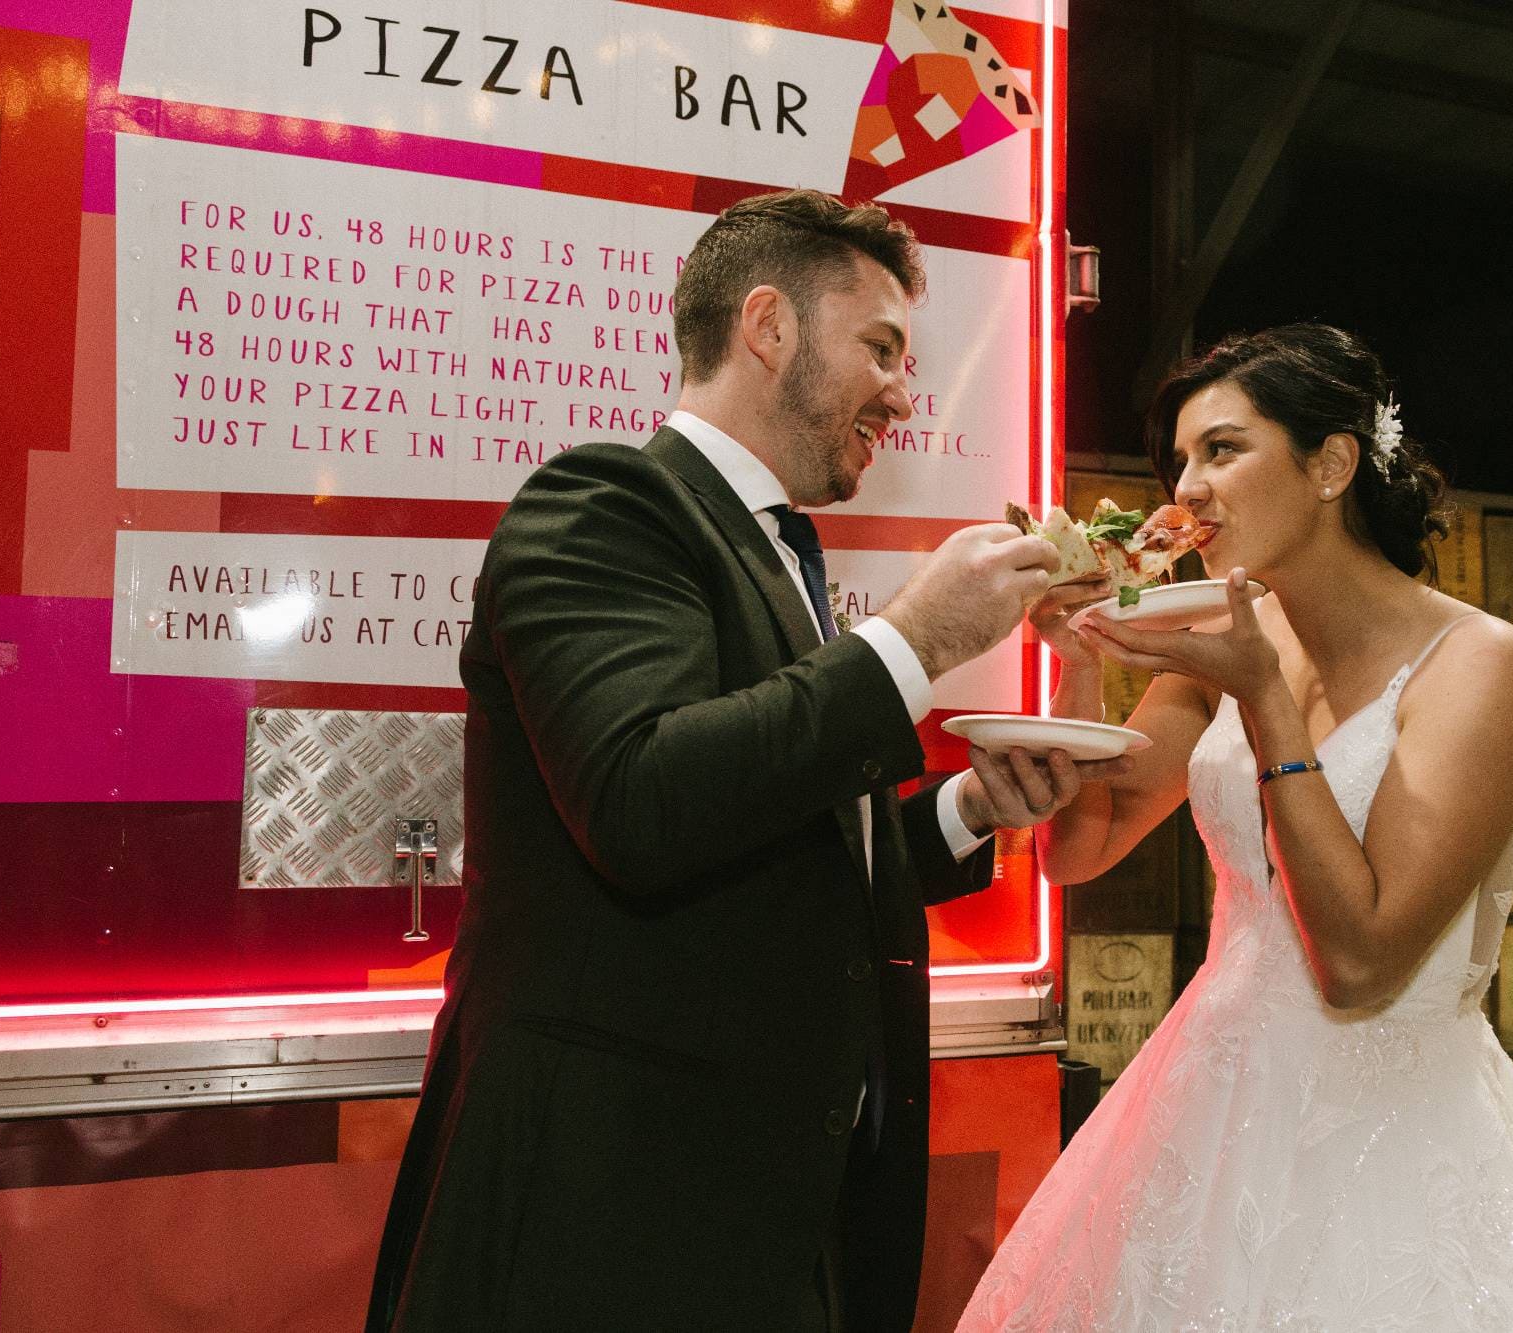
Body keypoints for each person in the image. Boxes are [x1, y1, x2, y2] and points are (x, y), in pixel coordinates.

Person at [367, 189, 1127, 1332]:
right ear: (768, 327)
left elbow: (791, 851)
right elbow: (644, 803)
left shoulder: (781, 558)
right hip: (611, 1217)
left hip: (764, 1217)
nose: (902, 394)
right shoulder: (605, 505)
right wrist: (917, 640)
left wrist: (970, 808)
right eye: (879, 347)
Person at [959, 323, 1513, 1330]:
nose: (1184, 488)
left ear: (1330, 464)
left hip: (1395, 1130)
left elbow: (1361, 963)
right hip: (1205, 1095)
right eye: (1179, 460)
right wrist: (1078, 653)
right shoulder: (1217, 636)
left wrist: (1264, 700)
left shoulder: (1481, 667)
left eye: (1222, 450)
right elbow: (1081, 847)